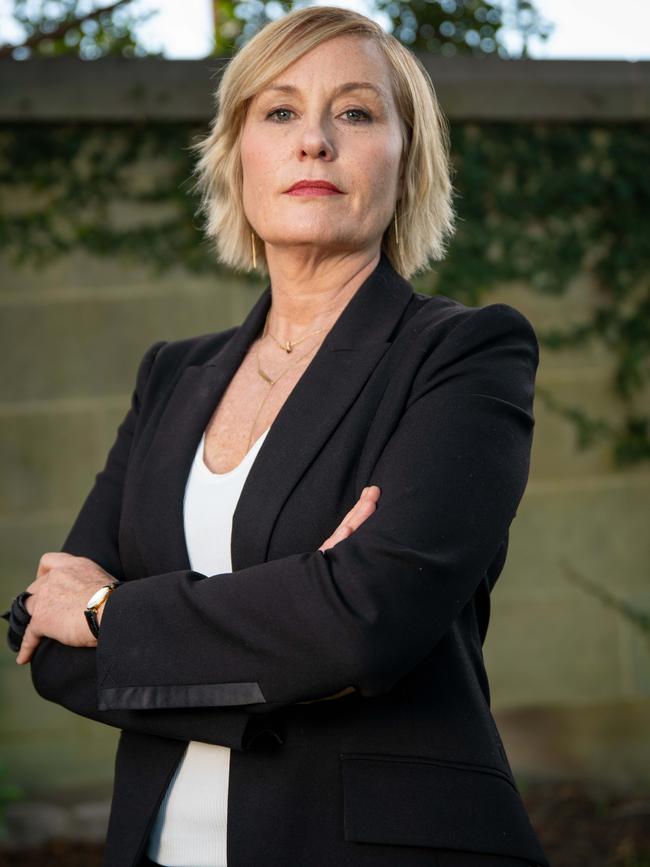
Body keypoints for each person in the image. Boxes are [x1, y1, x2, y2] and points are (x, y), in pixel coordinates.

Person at [4, 6, 549, 867]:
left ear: (407, 162)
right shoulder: (170, 375)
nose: (316, 142)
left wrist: (111, 613)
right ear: (237, 156)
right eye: (280, 111)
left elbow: (364, 622)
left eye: (358, 112)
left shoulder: (463, 354)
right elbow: (47, 645)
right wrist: (297, 632)